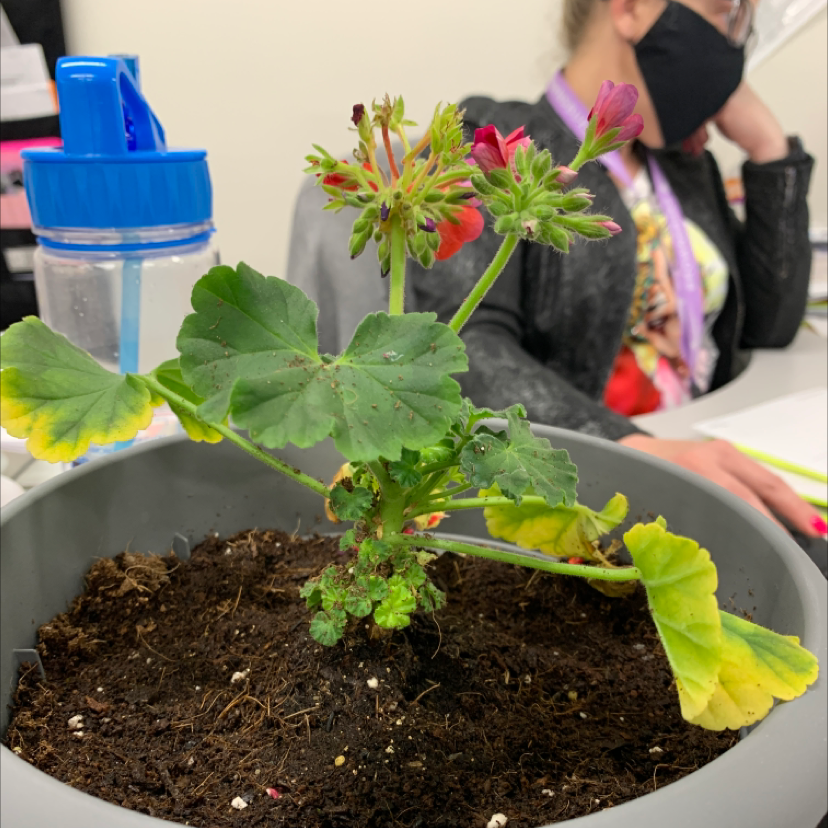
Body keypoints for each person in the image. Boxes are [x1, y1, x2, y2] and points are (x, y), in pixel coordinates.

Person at [409, 0, 827, 537]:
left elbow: (769, 326)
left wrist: (771, 151)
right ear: (630, 8)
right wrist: (628, 452)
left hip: (708, 459)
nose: (733, 50)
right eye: (727, 16)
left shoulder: (682, 166)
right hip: (584, 501)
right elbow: (465, 350)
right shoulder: (494, 139)